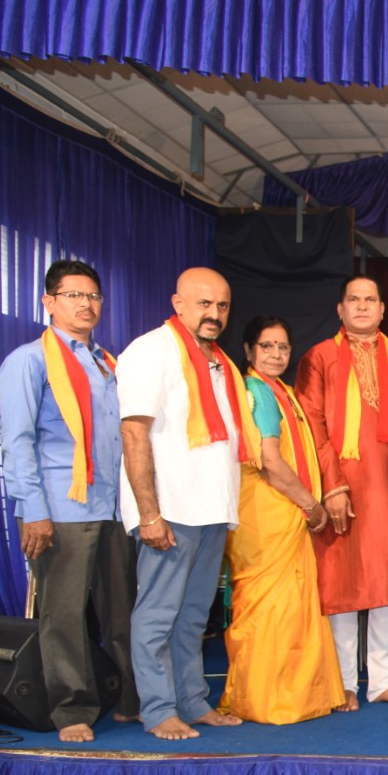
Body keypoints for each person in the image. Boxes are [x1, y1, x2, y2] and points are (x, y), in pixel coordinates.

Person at [0, 259, 138, 742]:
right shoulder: (29, 361)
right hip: (59, 508)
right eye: (74, 295)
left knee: (123, 611)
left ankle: (132, 699)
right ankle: (71, 709)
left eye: (93, 296)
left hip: (113, 506)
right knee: (64, 615)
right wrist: (33, 511)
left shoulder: (108, 363)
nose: (86, 304)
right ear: (49, 302)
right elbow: (17, 442)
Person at [118, 267, 256, 741]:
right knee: (158, 615)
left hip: (212, 510)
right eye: (204, 304)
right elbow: (133, 432)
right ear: (178, 304)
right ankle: (158, 710)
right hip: (170, 511)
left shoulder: (221, 363)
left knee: (195, 617)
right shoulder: (151, 350)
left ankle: (193, 701)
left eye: (222, 306)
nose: (214, 313)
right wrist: (149, 514)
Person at [295, 276, 388, 710]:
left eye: (370, 300)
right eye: (354, 300)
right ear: (340, 309)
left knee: (387, 581)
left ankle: (382, 682)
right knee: (342, 583)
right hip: (341, 485)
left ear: (382, 309)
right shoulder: (319, 357)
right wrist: (332, 486)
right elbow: (311, 424)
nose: (362, 306)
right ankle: (344, 681)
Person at [219, 317, 345, 724]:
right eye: (267, 346)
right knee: (270, 610)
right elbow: (270, 462)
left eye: (283, 347)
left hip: (281, 510)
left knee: (291, 609)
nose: (276, 354)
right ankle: (264, 699)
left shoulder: (282, 392)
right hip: (266, 512)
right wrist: (311, 505)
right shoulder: (256, 391)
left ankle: (294, 694)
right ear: (248, 350)